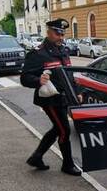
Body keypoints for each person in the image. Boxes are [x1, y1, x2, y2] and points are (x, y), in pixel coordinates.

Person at [20, 18, 81, 176]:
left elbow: (70, 74)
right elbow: (24, 78)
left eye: (62, 34)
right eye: (57, 33)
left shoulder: (64, 51)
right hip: (49, 99)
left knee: (57, 128)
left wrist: (77, 91)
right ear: (48, 32)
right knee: (64, 130)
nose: (61, 37)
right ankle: (67, 164)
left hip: (64, 97)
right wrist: (38, 80)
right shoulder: (38, 53)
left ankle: (36, 157)